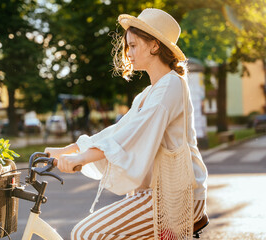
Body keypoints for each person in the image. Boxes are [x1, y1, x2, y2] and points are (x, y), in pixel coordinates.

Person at [45, 8, 208, 240]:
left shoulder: (171, 86)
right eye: (127, 46)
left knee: (87, 233)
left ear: (154, 46)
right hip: (155, 193)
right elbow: (116, 131)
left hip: (177, 196)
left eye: (132, 45)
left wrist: (80, 159)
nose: (128, 52)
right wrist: (68, 150)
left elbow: (130, 136)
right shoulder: (147, 93)